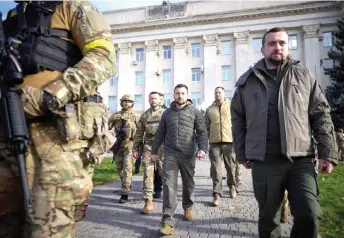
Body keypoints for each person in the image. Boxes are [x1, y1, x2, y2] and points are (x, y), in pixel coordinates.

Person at [0, 1, 116, 237]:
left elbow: (104, 57)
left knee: (47, 228)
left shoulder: (72, 6)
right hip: (7, 130)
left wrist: (50, 97)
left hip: (56, 134)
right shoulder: (10, 18)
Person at [231, 27, 338, 238]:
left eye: (281, 43)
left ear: (288, 46)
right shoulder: (247, 82)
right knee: (269, 219)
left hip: (301, 159)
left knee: (309, 214)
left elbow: (321, 114)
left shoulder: (305, 76)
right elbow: (237, 120)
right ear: (262, 49)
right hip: (265, 161)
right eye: (271, 43)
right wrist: (243, 153)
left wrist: (327, 152)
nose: (277, 47)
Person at [151, 84, 208, 236]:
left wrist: (203, 148)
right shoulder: (167, 113)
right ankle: (167, 221)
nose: (180, 96)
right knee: (169, 185)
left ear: (187, 95)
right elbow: (160, 133)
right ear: (174, 95)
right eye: (177, 93)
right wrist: (154, 151)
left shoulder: (195, 112)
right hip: (170, 155)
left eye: (183, 93)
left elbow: (202, 132)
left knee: (188, 184)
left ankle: (188, 207)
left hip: (188, 154)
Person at [132, 91, 166, 214]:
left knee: (165, 174)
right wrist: (135, 149)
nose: (153, 101)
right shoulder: (145, 115)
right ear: (148, 100)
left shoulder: (165, 114)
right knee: (147, 173)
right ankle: (148, 201)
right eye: (151, 98)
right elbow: (139, 133)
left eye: (155, 98)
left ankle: (168, 199)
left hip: (164, 147)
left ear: (160, 100)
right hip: (148, 147)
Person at [205, 87, 238, 207]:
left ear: (224, 94)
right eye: (216, 93)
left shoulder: (232, 106)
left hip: (229, 142)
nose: (217, 94)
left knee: (231, 167)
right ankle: (217, 194)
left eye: (219, 92)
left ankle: (232, 186)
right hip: (214, 143)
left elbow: (237, 123)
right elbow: (205, 126)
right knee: (216, 170)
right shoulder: (209, 109)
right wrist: (209, 138)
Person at [108, 94, 138, 203]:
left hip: (130, 145)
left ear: (132, 103)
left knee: (127, 168)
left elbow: (140, 132)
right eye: (124, 101)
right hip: (118, 145)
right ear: (121, 102)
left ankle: (125, 193)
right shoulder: (115, 115)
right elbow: (107, 128)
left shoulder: (136, 116)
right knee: (120, 168)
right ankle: (126, 184)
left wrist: (137, 147)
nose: (126, 103)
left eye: (129, 101)